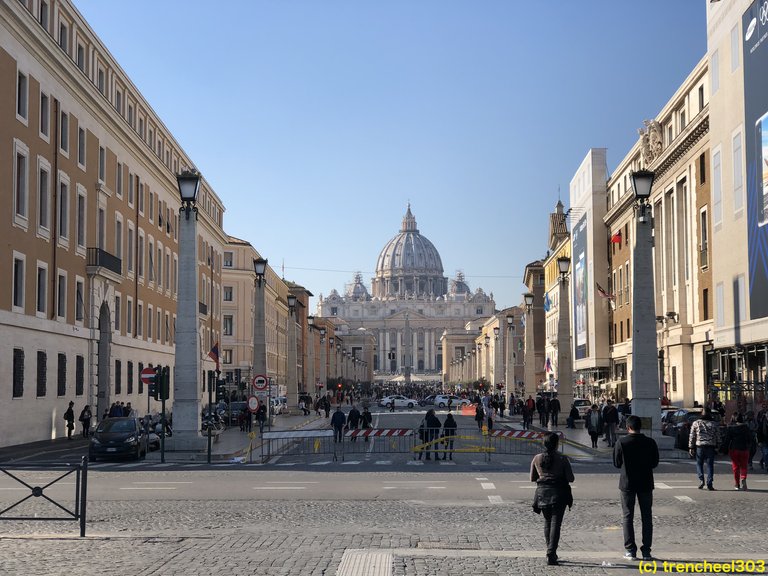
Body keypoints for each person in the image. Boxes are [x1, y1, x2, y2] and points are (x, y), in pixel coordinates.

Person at [613, 415, 659, 562]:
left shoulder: (622, 442)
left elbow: (616, 462)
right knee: (647, 516)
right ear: (641, 427)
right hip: (645, 483)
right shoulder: (650, 442)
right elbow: (654, 462)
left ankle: (630, 550)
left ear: (628, 427)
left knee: (627, 516)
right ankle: (646, 551)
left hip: (627, 483)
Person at [530, 432, 574, 566]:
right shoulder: (562, 459)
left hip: (542, 493)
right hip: (559, 493)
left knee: (547, 522)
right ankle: (551, 552)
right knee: (556, 524)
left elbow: (532, 477)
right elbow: (571, 478)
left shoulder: (537, 458)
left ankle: (550, 551)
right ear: (557, 444)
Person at [688, 407, 720, 490]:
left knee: (699, 464)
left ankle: (701, 479)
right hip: (710, 446)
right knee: (710, 465)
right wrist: (718, 446)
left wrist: (691, 447)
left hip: (700, 446)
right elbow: (718, 436)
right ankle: (709, 483)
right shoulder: (714, 424)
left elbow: (692, 435)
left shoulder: (696, 423)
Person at [725, 413, 752, 490]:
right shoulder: (746, 427)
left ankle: (737, 484)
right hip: (744, 449)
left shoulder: (731, 428)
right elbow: (750, 439)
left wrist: (723, 449)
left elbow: (727, 440)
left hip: (734, 449)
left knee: (735, 466)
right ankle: (743, 477)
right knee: (744, 466)